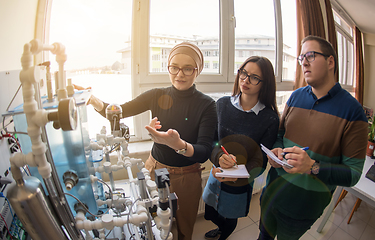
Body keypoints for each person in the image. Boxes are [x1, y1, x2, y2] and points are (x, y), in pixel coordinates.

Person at [80, 42, 217, 240]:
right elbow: (119, 111)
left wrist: (178, 145)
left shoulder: (206, 105)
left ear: (198, 70)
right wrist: (92, 99)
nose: (180, 74)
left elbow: (204, 151)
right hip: (154, 168)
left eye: (188, 68)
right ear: (168, 67)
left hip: (186, 177)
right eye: (174, 67)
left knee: (185, 228)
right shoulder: (156, 95)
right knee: (151, 224)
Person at [258, 35, 368, 240]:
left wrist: (312, 166)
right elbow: (281, 135)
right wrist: (276, 151)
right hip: (272, 193)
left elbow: (352, 174)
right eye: (301, 58)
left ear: (330, 62)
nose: (304, 62)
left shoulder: (353, 112)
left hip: (302, 208)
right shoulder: (295, 96)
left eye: (310, 55)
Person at [202, 56, 280, 240]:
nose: (245, 80)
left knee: (229, 218)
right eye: (243, 73)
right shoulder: (221, 105)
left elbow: (260, 160)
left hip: (241, 182)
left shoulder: (269, 118)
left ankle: (224, 235)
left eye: (254, 77)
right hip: (217, 174)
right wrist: (218, 157)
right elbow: (212, 142)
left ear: (264, 83)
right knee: (211, 213)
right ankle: (220, 228)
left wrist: (241, 173)